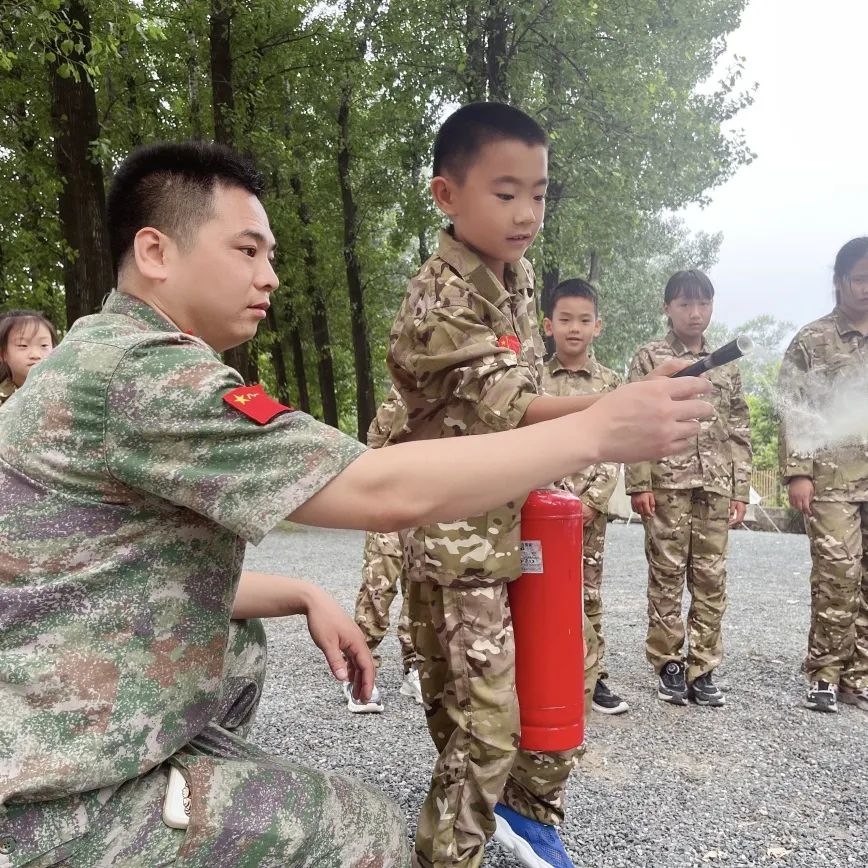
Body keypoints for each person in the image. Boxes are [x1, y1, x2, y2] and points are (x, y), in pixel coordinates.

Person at [0, 141, 712, 867]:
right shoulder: (145, 375)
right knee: (368, 830)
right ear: (155, 250)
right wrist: (595, 432)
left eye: (269, 253)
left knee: (236, 644)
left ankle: (180, 794)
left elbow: (101, 574)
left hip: (35, 714)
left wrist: (304, 591)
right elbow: (378, 489)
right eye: (247, 250)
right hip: (44, 800)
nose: (269, 276)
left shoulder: (98, 352)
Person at [386, 103, 706, 868]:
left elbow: (527, 388)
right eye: (505, 193)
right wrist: (617, 408)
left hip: (519, 520)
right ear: (446, 196)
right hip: (459, 534)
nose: (527, 212)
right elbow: (514, 407)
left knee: (556, 690)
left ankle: (526, 820)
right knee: (482, 726)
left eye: (539, 192)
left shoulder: (517, 275)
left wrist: (624, 394)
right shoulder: (439, 301)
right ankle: (450, 856)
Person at [625, 269, 752, 709]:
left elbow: (739, 427)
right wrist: (639, 482)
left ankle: (704, 665)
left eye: (703, 304)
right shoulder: (650, 357)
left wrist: (740, 489)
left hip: (715, 484)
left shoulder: (727, 360)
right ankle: (668, 663)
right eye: (684, 304)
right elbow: (634, 420)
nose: (695, 314)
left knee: (711, 577)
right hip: (667, 483)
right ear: (667, 308)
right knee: (666, 574)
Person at [778, 236, 868, 714]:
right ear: (839, 282)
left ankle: (859, 675)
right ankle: (825, 674)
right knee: (838, 575)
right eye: (860, 278)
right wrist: (797, 473)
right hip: (832, 479)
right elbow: (794, 410)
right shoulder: (812, 340)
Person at [541, 278, 627, 716]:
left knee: (587, 593)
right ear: (548, 325)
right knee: (534, 588)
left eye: (584, 320)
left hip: (588, 513)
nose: (574, 328)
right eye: (565, 319)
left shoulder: (611, 383)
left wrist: (592, 502)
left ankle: (594, 677)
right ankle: (538, 672)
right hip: (538, 509)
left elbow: (613, 446)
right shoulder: (532, 378)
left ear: (599, 326)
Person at [347, 388, 422, 713]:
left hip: (429, 502)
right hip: (389, 500)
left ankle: (416, 667)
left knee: (422, 586)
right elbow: (376, 441)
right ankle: (360, 670)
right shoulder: (402, 392)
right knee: (379, 584)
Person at [0, 309, 57, 407]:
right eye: (23, 345)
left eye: (44, 345)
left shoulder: (66, 390)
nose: (36, 355)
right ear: (2, 354)